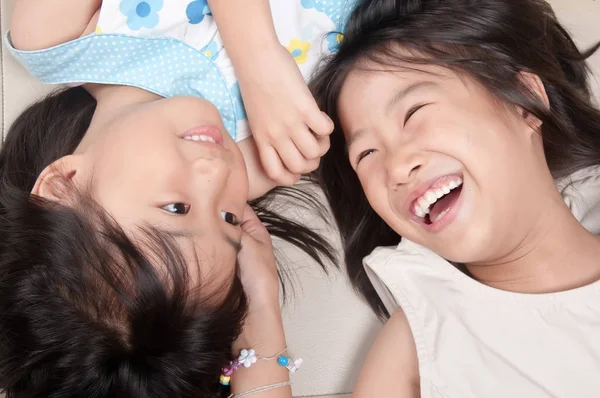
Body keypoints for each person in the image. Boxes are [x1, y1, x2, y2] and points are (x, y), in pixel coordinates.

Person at [0, 0, 357, 395]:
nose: (217, 173)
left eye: (177, 208)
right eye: (228, 219)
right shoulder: (261, 158)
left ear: (62, 185)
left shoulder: (57, 37)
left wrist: (257, 57)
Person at [311, 0, 600, 396]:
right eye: (367, 155)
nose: (396, 168)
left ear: (522, 102)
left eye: (413, 114)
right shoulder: (416, 343)